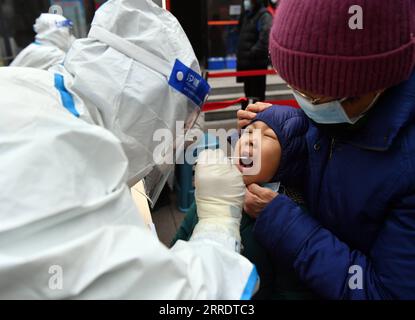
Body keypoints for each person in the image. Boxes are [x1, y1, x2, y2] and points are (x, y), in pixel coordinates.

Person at [0, 0, 258, 299]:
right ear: (145, 106)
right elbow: (176, 299)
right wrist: (218, 220)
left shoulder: (28, 88)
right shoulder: (61, 151)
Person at [237, 0, 415, 299]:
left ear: (376, 87)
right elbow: (326, 148)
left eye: (320, 100)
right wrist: (283, 131)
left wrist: (285, 224)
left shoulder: (406, 165)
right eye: (298, 90)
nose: (310, 105)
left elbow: (383, 292)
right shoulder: (345, 110)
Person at [172, 106, 316, 299]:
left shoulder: (292, 218)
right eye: (248, 131)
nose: (250, 138)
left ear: (288, 157)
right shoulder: (217, 192)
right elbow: (179, 241)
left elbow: (292, 292)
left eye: (268, 136)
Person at [10, 13, 75, 70]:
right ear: (57, 32)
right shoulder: (53, 55)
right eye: (69, 32)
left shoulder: (35, 48)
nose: (71, 36)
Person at [237, 0, 272, 103]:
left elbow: (265, 39)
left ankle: (259, 117)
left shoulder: (264, 15)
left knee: (258, 96)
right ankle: (248, 115)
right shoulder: (247, 15)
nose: (246, 2)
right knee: (248, 94)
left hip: (257, 63)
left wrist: (252, 53)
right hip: (247, 64)